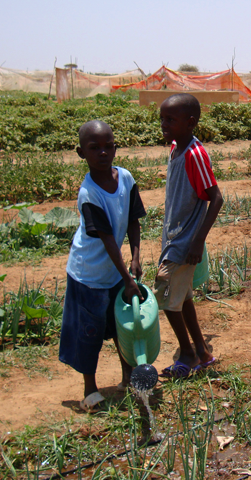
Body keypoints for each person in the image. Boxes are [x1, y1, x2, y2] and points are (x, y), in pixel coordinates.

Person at [59, 120, 146, 412]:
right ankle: (89, 389)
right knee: (90, 331)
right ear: (81, 153)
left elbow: (133, 219)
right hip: (89, 274)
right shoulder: (89, 193)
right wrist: (128, 278)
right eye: (94, 148)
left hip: (116, 270)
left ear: (116, 148)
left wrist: (135, 256)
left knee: (122, 326)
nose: (103, 152)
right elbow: (108, 239)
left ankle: (127, 376)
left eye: (108, 146)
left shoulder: (126, 179)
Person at [154, 93, 223, 378]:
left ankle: (187, 354)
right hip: (174, 236)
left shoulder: (195, 155)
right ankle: (203, 353)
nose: (164, 124)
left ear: (190, 122)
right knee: (182, 299)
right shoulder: (175, 148)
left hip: (184, 241)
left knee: (164, 291)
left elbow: (215, 198)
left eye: (170, 119)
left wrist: (197, 241)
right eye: (162, 119)